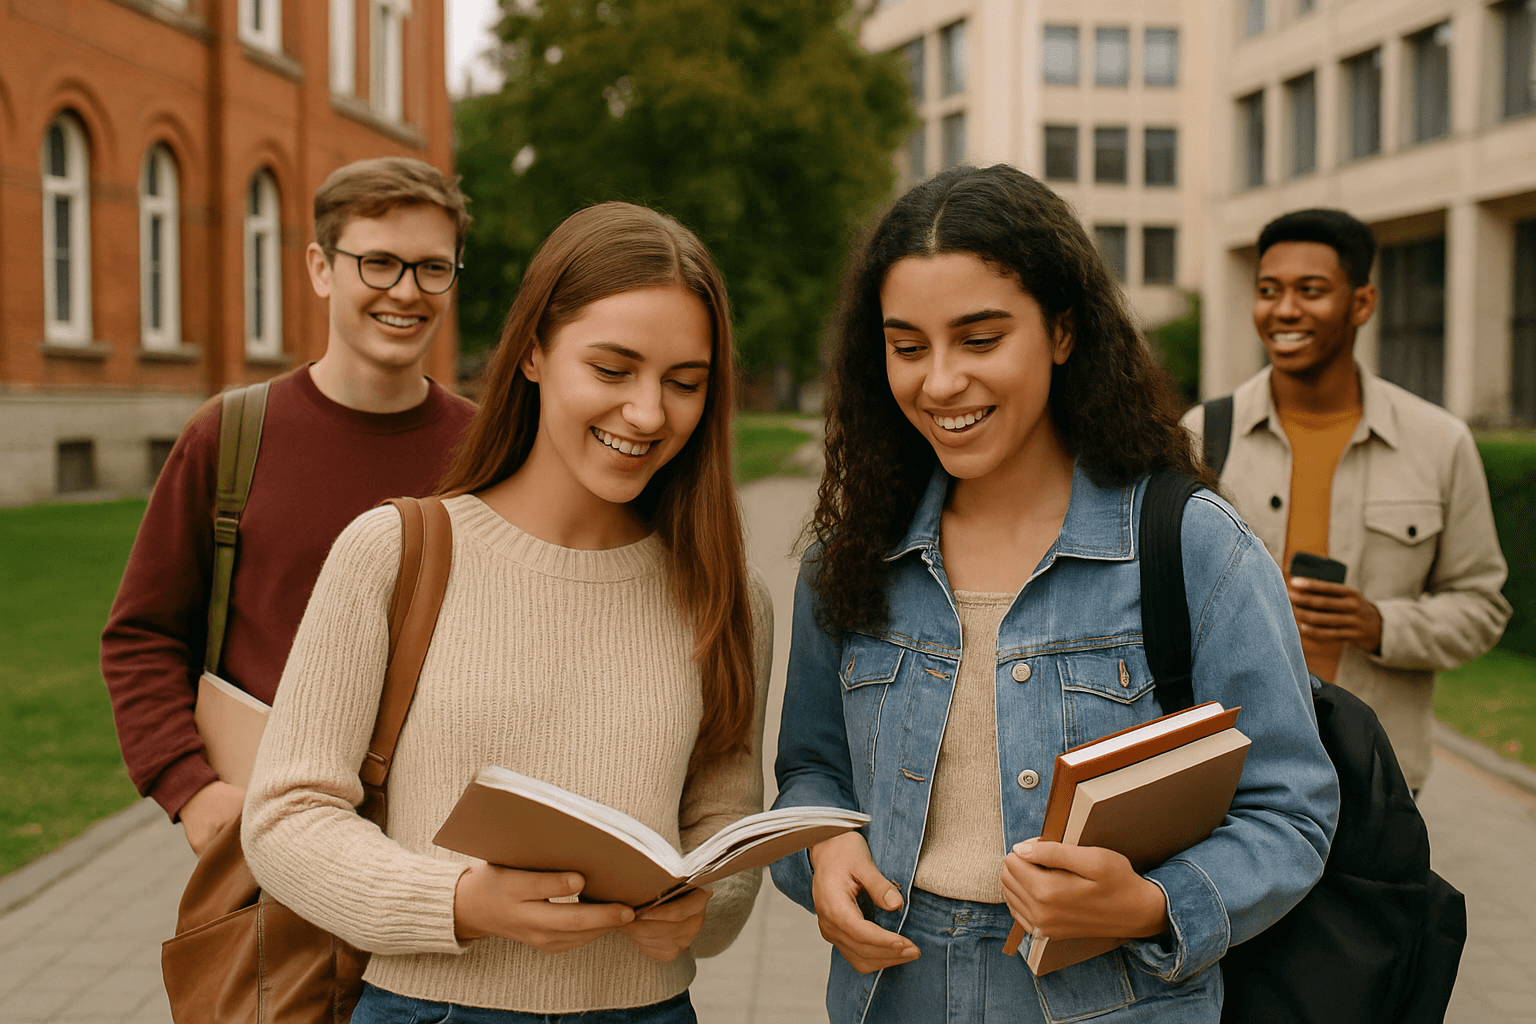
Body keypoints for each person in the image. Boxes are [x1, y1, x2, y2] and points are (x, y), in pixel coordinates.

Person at [770, 165, 1339, 1022]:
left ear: (1063, 332)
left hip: (1115, 997)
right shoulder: (850, 557)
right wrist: (820, 848)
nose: (941, 382)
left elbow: (1291, 809)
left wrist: (1153, 904)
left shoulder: (1190, 544)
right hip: (893, 990)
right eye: (908, 345)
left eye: (981, 338)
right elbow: (812, 769)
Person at [240, 201, 773, 1024]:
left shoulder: (726, 594)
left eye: (683, 383)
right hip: (430, 1008)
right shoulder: (393, 552)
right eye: (612, 368)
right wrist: (460, 900)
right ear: (532, 352)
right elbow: (285, 818)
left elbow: (724, 817)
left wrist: (706, 906)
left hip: (647, 1011)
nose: (647, 412)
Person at [101, 156, 477, 854]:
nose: (407, 291)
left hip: (440, 853)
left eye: (432, 268)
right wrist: (192, 790)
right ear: (320, 267)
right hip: (270, 848)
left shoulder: (489, 452)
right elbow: (142, 636)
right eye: (379, 263)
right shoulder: (230, 435)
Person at [1181, 208, 1511, 793]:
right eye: (1268, 290)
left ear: (1361, 304)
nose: (1284, 310)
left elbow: (1482, 607)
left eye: (1310, 291)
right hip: (1232, 770)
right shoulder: (1202, 436)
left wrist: (1381, 623)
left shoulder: (1439, 443)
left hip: (1377, 777)